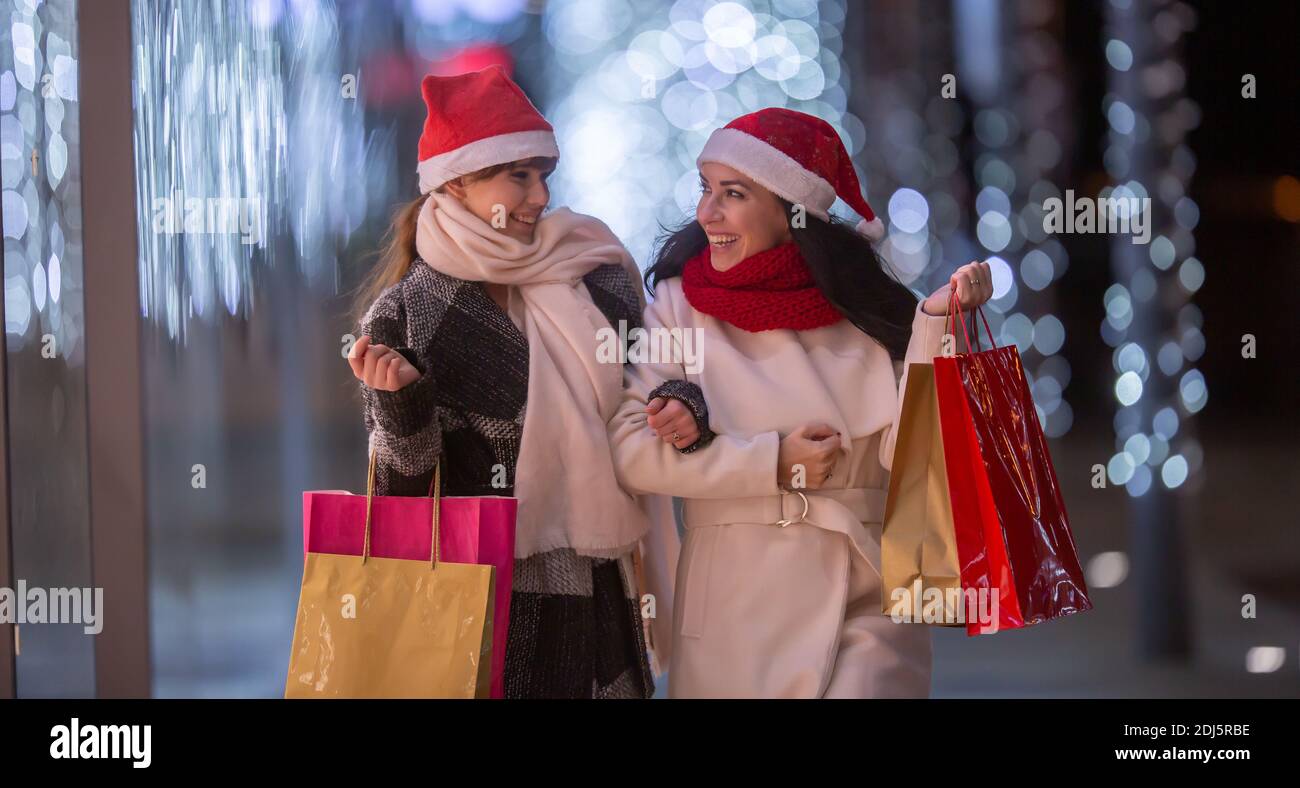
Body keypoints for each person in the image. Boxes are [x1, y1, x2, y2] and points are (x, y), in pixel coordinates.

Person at [608, 108, 993, 698]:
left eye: (732, 194)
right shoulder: (678, 303)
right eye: (705, 189)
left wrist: (938, 325)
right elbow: (633, 452)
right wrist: (770, 462)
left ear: (792, 210)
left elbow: (912, 459)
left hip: (866, 599)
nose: (707, 213)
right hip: (733, 618)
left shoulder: (868, 305)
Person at [347, 66, 706, 698]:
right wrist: (402, 405)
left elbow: (651, 387)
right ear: (457, 179)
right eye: (519, 175)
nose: (540, 197)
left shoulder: (595, 272)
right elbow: (400, 495)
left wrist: (683, 403)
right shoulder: (408, 312)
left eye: (544, 175)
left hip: (599, 582)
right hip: (481, 595)